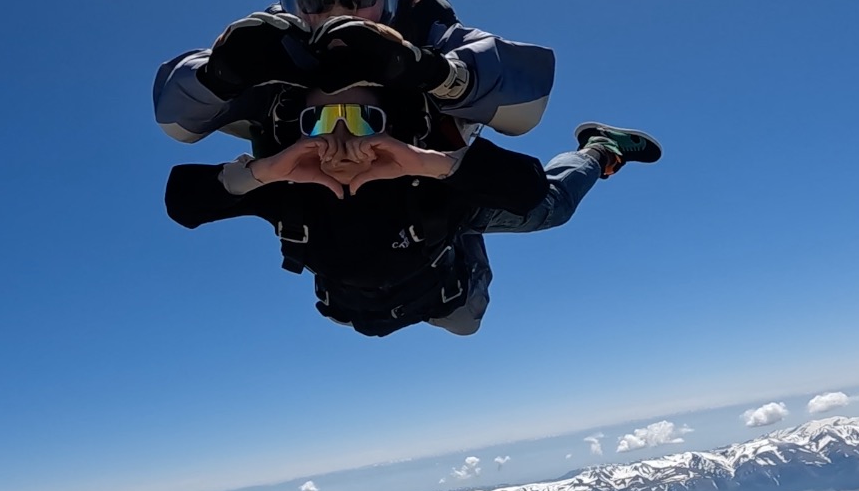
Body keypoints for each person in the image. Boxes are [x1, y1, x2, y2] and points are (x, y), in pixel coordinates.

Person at [164, 82, 661, 336]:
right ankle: (456, 213)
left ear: (389, 126)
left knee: (472, 313)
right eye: (320, 121)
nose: (341, 139)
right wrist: (262, 171)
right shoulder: (287, 185)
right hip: (367, 300)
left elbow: (531, 193)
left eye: (363, 119)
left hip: (441, 239)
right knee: (376, 317)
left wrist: (434, 163)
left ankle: (599, 149)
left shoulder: (419, 168)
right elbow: (182, 202)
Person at [153, 0, 555, 156]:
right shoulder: (276, 47)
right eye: (313, 1)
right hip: (327, 227)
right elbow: (178, 123)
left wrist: (431, 71)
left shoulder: (423, 29)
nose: (338, 13)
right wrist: (217, 76)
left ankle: (587, 156)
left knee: (547, 204)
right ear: (287, 0)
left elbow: (525, 103)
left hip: (437, 210)